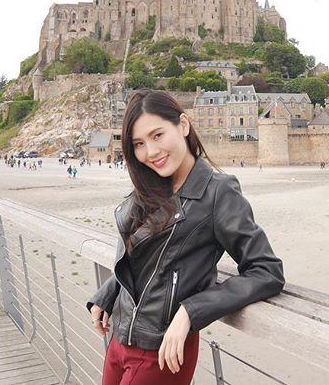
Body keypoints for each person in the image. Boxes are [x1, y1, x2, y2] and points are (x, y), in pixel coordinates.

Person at [86, 90, 284, 384]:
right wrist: (108, 292)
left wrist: (191, 310)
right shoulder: (151, 187)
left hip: (161, 350)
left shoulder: (218, 193)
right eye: (139, 144)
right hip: (119, 334)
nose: (151, 152)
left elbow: (267, 271)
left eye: (157, 135)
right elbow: (144, 259)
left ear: (183, 125)